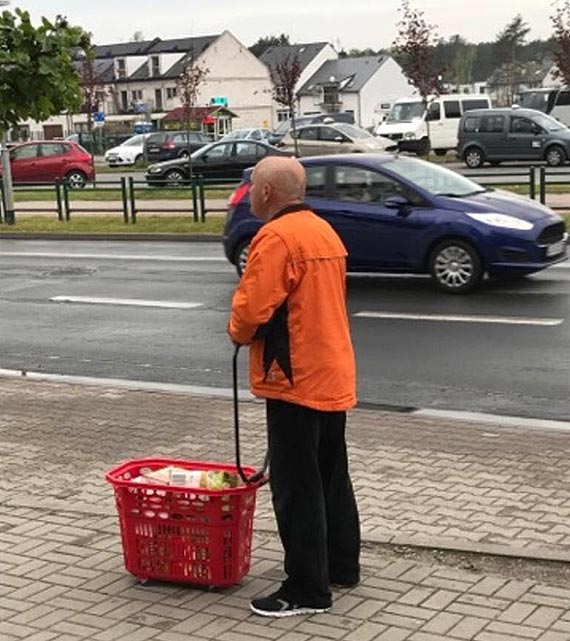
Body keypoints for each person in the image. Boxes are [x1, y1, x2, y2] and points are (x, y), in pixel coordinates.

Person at [228, 156, 360, 618]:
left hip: (294, 378)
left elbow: (250, 312)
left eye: (253, 191)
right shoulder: (324, 231)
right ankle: (340, 566)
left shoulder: (276, 237)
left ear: (265, 193)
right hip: (331, 370)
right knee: (330, 475)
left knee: (295, 486)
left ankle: (307, 589)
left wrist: (238, 333)